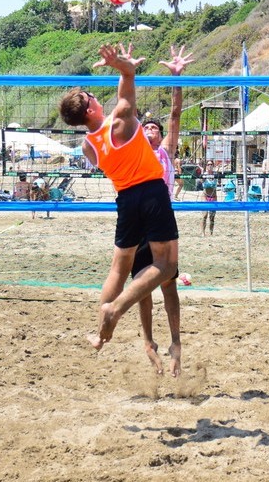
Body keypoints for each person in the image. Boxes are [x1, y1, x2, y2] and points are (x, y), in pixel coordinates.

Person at [58, 43, 179, 353]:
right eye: (91, 97)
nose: (96, 97)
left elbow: (126, 78)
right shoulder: (121, 119)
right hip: (151, 192)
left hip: (125, 199)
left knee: (118, 269)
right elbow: (128, 77)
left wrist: (125, 65)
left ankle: (99, 334)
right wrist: (121, 64)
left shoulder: (88, 146)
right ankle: (117, 308)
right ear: (89, 110)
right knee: (166, 267)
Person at [133, 44, 192, 376]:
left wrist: (176, 77)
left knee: (169, 284)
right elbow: (128, 115)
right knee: (142, 287)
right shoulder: (135, 150)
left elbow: (175, 114)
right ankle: (148, 342)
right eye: (147, 128)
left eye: (154, 128)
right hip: (138, 222)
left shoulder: (166, 150)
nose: (151, 130)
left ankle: (175, 343)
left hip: (162, 220)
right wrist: (127, 74)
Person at [199, 161, 218, 236]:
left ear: (213, 166)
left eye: (211, 164)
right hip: (205, 196)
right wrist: (202, 172)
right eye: (208, 164)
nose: (210, 166)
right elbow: (201, 180)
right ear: (206, 166)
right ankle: (203, 233)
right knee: (204, 215)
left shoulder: (216, 174)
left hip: (214, 196)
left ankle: (211, 233)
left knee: (212, 216)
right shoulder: (204, 174)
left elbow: (218, 179)